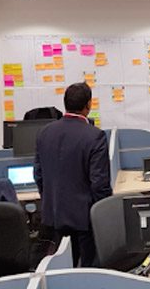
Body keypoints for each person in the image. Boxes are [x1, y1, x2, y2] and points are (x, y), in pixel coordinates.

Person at [34, 82, 112, 267]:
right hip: (84, 220)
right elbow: (99, 184)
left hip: (54, 218)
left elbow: (38, 175)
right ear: (88, 105)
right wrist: (104, 216)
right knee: (87, 274)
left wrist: (51, 201)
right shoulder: (95, 136)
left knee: (61, 272)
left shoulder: (44, 133)